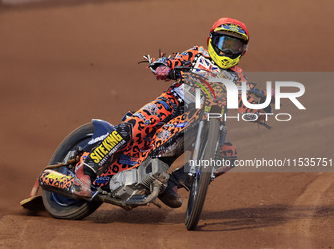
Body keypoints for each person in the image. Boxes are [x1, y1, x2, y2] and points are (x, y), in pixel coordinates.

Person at [73, 17, 270, 208]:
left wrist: (262, 108)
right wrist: (163, 67)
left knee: (228, 155)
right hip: (173, 102)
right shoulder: (198, 55)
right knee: (134, 126)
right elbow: (171, 61)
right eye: (223, 42)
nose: (227, 50)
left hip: (204, 118)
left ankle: (173, 183)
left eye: (234, 46)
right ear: (212, 41)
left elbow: (248, 102)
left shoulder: (238, 78)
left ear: (242, 50)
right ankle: (86, 170)